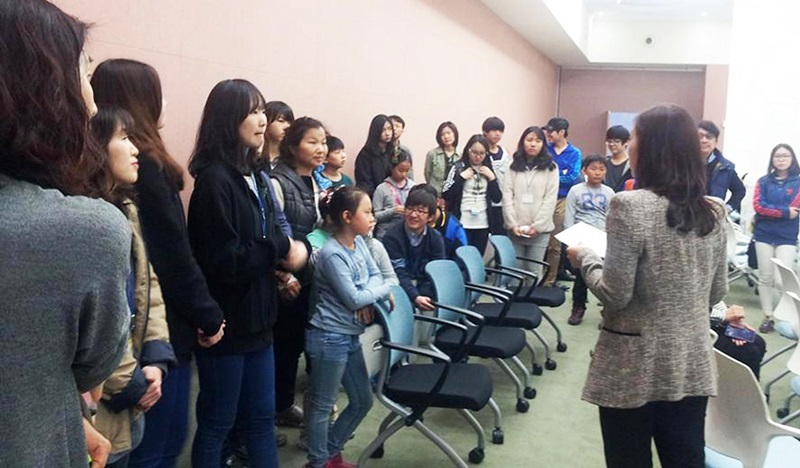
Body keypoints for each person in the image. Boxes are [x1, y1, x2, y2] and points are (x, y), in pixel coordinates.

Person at [0, 2, 130, 466]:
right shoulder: (86, 229)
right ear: (44, 92)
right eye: (84, 74)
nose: (92, 102)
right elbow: (93, 365)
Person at [567, 104, 728, 468]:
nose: (630, 144)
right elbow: (716, 292)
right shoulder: (714, 211)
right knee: (685, 457)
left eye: (635, 136)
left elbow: (615, 294)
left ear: (652, 147)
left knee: (628, 459)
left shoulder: (630, 206)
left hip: (632, 363)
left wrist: (587, 258)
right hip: (689, 360)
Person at [91, 58, 226, 468]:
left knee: (162, 443)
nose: (163, 102)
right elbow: (171, 256)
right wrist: (207, 314)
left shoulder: (137, 170)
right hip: (151, 339)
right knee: (154, 449)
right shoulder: (142, 170)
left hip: (158, 331)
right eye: (156, 92)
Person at [186, 79, 307, 467]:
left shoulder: (254, 174)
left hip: (260, 322)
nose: (262, 120)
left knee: (259, 421)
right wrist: (280, 248)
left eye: (262, 111)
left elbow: (262, 240)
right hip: (226, 327)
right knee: (217, 425)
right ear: (228, 119)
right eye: (253, 112)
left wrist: (279, 266)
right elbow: (227, 262)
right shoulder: (214, 181)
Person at [90, 107, 178, 467]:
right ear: (95, 147)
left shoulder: (126, 207)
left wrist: (155, 358)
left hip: (133, 386)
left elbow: (148, 286)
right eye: (124, 138)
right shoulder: (88, 219)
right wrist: (130, 383)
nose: (135, 149)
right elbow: (97, 318)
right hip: (102, 399)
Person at [305, 186, 394, 468]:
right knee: (322, 405)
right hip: (329, 337)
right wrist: (382, 289)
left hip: (350, 335)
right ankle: (319, 462)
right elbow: (354, 298)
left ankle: (329, 453)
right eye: (366, 212)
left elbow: (375, 275)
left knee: (362, 400)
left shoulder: (360, 244)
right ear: (346, 216)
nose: (373, 217)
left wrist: (369, 293)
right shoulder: (332, 253)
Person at [270, 117, 326, 429]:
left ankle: (285, 404)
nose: (321, 148)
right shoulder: (278, 182)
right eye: (312, 142)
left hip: (308, 277)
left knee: (295, 346)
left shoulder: (314, 181)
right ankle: (276, 407)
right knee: (284, 348)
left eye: (323, 142)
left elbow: (313, 230)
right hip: (284, 281)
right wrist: (282, 276)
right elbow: (272, 235)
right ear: (292, 146)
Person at [752, 143, 800, 333]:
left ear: (792, 159)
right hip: (763, 234)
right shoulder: (763, 181)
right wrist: (784, 212)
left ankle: (784, 315)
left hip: (786, 236)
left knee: (782, 280)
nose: (781, 159)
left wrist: (772, 211)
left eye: (785, 156)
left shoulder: (798, 182)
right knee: (765, 277)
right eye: (777, 156)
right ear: (772, 160)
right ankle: (768, 316)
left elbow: (795, 209)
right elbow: (759, 206)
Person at [563, 154, 615, 326]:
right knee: (581, 277)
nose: (597, 173)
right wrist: (571, 242)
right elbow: (569, 217)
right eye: (593, 169)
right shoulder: (575, 190)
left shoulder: (609, 192)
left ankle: (607, 312)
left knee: (606, 278)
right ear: (584, 170)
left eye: (601, 169)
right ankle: (578, 308)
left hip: (602, 238)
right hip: (581, 238)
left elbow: (612, 219)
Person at [502, 126, 559, 281]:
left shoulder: (551, 168)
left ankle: (533, 298)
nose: (533, 144)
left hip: (539, 231)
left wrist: (537, 226)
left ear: (543, 144)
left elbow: (550, 199)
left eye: (538, 141)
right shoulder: (512, 166)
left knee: (534, 271)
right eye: (529, 140)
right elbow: (507, 196)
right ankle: (515, 297)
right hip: (516, 229)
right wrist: (512, 224)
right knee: (515, 271)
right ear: (523, 142)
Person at [383, 188, 446, 311]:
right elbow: (398, 272)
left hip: (425, 287)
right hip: (400, 286)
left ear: (430, 217)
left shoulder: (435, 237)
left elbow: (438, 270)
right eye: (410, 208)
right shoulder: (392, 237)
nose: (413, 215)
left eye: (420, 211)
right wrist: (415, 296)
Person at [442, 134, 503, 254]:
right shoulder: (458, 167)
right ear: (468, 150)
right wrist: (461, 178)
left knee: (477, 257)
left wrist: (492, 178)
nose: (478, 157)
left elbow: (497, 198)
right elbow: (446, 195)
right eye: (474, 152)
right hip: (462, 221)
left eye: (482, 153)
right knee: (462, 256)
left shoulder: (488, 169)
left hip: (483, 223)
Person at [543, 117, 583, 287]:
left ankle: (549, 281)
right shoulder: (545, 149)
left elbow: (572, 177)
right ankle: (536, 277)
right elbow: (540, 172)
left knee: (555, 242)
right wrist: (560, 175)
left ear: (561, 132)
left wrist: (551, 176)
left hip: (562, 199)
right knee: (540, 241)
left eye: (551, 131)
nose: (548, 134)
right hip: (543, 198)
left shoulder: (575, 153)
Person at [710, 302, 767, 379]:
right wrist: (724, 316)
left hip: (711, 319)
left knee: (758, 342)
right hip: (698, 328)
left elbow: (714, 300)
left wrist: (733, 317)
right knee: (747, 351)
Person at [698, 120, 745, 213]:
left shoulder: (726, 167)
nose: (704, 140)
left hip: (713, 217)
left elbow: (740, 191)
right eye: (699, 136)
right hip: (687, 217)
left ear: (716, 142)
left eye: (709, 137)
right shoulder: (685, 164)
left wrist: (727, 209)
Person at [412, 184, 467, 259]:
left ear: (437, 201)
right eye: (412, 208)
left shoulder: (453, 227)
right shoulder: (410, 223)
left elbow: (463, 257)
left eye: (421, 209)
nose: (415, 214)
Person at [373, 150, 415, 239]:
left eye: (407, 171)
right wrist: (392, 211)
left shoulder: (413, 186)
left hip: (408, 234)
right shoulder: (381, 189)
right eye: (400, 170)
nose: (404, 174)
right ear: (391, 168)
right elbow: (374, 216)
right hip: (386, 234)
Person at [482, 116, 512, 235]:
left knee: (501, 236)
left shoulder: (505, 152)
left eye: (500, 131)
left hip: (503, 203)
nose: (498, 134)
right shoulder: (481, 153)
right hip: (486, 203)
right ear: (485, 131)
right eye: (494, 130)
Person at [354, 114, 394, 195]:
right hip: (373, 195)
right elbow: (364, 182)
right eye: (383, 130)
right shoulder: (365, 155)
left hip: (392, 195)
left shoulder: (393, 151)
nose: (387, 133)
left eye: (390, 129)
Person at [424, 121, 460, 196]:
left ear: (455, 134)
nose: (446, 136)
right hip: (435, 194)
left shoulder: (461, 155)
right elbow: (427, 174)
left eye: (448, 133)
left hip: (454, 195)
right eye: (442, 134)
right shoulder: (432, 154)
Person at [264, 101, 295, 171]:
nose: (287, 126)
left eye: (289, 122)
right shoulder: (254, 157)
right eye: (281, 121)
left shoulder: (292, 159)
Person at [603, 125, 633, 193]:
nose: (612, 144)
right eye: (609, 141)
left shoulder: (632, 164)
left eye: (616, 141)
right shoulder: (604, 162)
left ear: (626, 142)